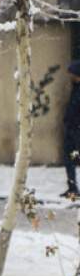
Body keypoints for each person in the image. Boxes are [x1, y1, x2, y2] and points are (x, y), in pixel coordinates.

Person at [61, 60, 80, 198]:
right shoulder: (76, 87)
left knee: (73, 158)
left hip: (76, 129)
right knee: (69, 159)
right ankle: (72, 188)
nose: (71, 76)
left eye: (72, 73)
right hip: (72, 129)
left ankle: (73, 188)